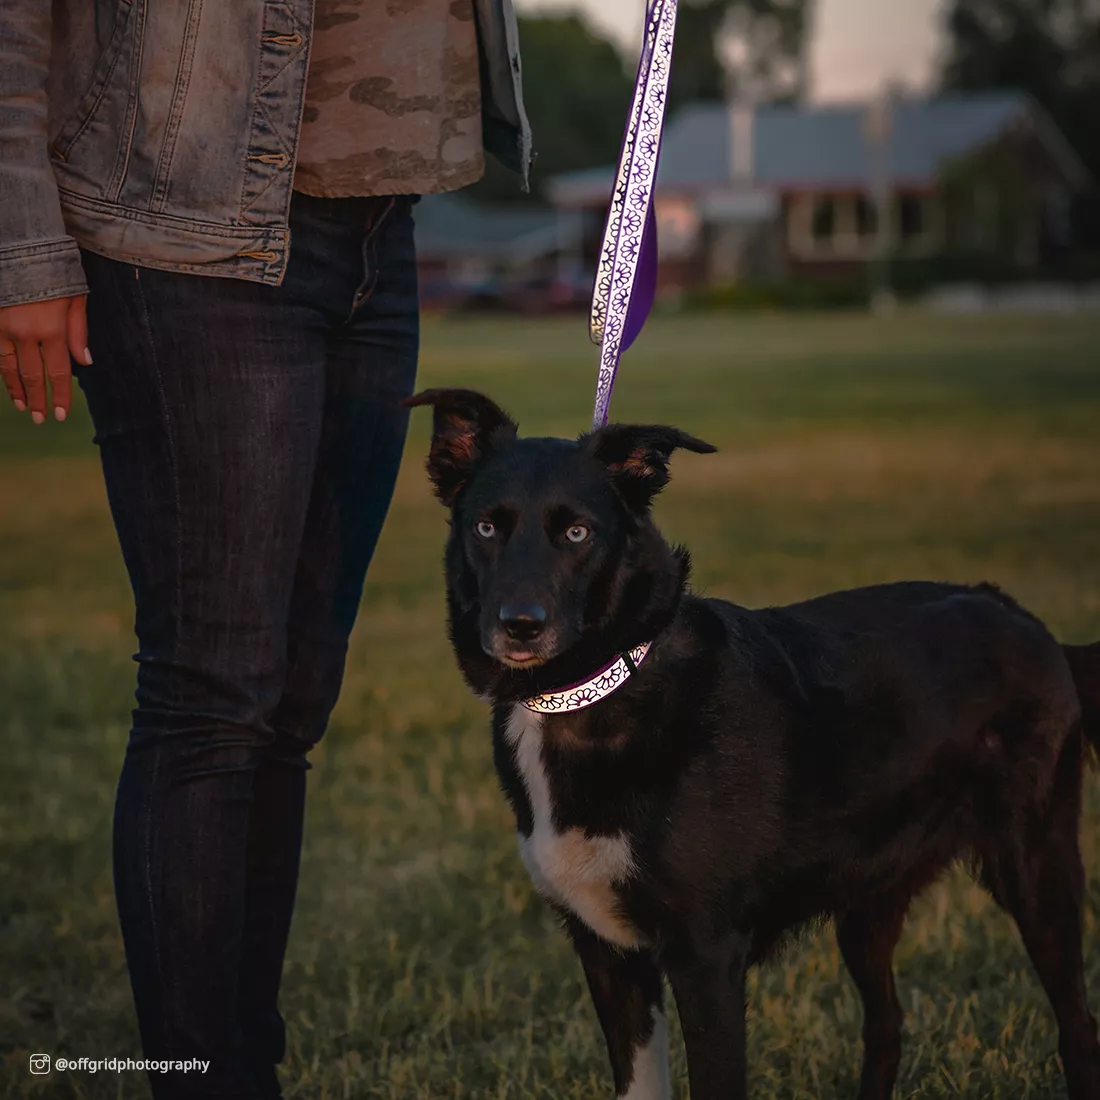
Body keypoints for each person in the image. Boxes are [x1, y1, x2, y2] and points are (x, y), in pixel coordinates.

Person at [0, 3, 530, 1096]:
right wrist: (19, 239)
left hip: (378, 222)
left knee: (290, 698)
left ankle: (243, 1067)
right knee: (215, 692)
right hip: (182, 227)